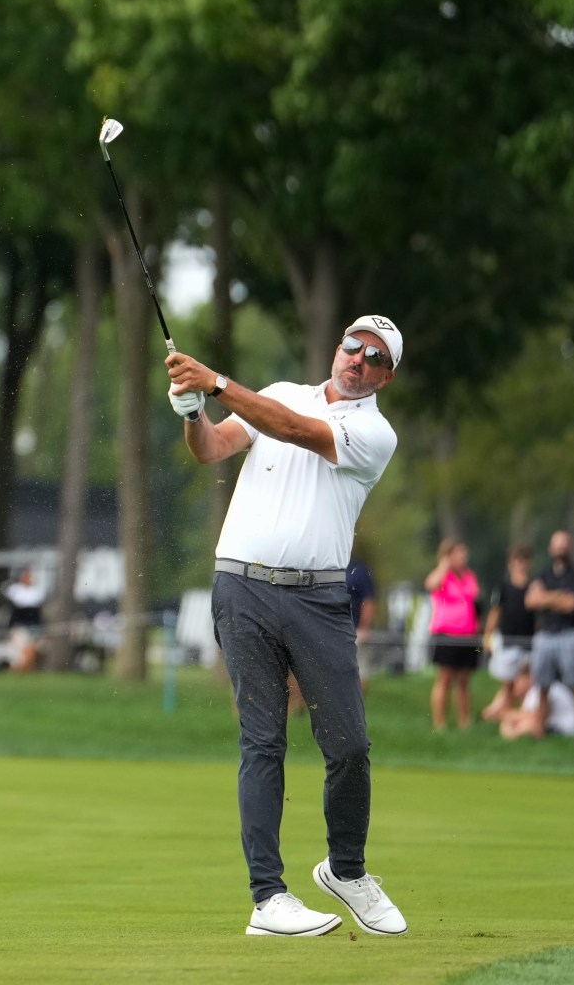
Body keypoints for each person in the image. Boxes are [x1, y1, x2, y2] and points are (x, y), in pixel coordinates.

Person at [166, 314, 407, 938]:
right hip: (240, 586)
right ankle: (268, 898)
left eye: (374, 357)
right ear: (338, 347)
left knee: (349, 745)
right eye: (353, 346)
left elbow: (297, 431)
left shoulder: (374, 432)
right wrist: (194, 411)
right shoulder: (277, 393)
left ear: (386, 376)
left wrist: (215, 381)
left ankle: (346, 871)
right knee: (262, 741)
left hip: (319, 599)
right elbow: (214, 448)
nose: (358, 359)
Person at [525, 530, 574, 739]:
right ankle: (538, 734)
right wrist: (558, 596)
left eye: (564, 544)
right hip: (544, 635)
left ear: (570, 548)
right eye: (557, 544)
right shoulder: (542, 573)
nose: (561, 548)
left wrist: (546, 596)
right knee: (542, 685)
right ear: (551, 548)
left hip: (568, 634)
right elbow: (531, 601)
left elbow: (571, 604)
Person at [424, 538, 481, 731]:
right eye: (458, 553)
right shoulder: (443, 576)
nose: (463, 557)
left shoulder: (469, 576)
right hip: (446, 634)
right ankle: (440, 724)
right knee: (444, 679)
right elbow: (431, 584)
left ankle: (465, 722)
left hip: (467, 635)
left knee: (464, 681)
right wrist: (444, 564)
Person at [481, 545, 535, 722]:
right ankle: (505, 715)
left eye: (523, 560)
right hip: (508, 641)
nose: (520, 564)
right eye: (516, 560)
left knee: (525, 684)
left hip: (529, 642)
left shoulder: (534, 587)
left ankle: (521, 716)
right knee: (508, 683)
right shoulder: (503, 587)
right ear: (510, 564)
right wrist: (488, 636)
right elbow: (495, 612)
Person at [499, 669, 574, 739]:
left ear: (529, 678)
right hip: (570, 729)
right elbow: (523, 715)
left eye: (518, 681)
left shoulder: (537, 691)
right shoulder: (540, 689)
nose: (515, 686)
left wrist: (509, 726)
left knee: (529, 724)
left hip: (566, 731)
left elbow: (532, 720)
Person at [346, 554, 377, 691]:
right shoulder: (326, 566)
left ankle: (356, 710)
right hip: (329, 629)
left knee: (358, 672)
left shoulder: (358, 569)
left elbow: (369, 600)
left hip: (354, 629)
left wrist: (364, 627)